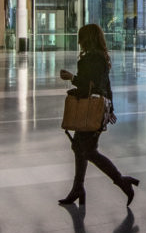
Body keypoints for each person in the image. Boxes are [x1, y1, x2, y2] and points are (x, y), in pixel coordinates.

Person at [58, 24, 139, 206]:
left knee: (88, 151)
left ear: (86, 39)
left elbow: (89, 85)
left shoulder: (90, 59)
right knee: (80, 148)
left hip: (90, 110)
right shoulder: (101, 58)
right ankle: (78, 188)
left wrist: (71, 77)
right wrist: (110, 108)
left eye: (81, 37)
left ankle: (121, 181)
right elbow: (106, 86)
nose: (78, 41)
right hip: (98, 108)